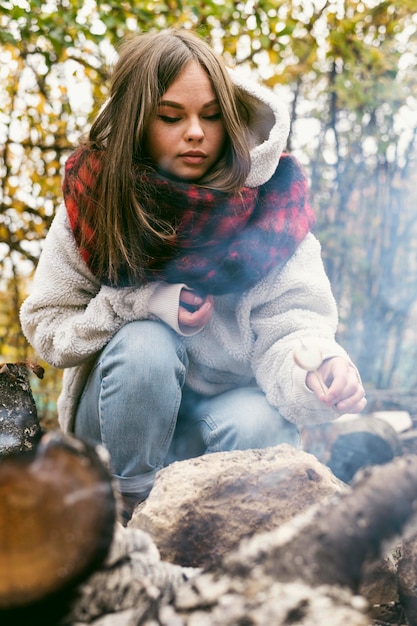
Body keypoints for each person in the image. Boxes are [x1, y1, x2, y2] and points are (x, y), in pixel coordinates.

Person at [20, 28, 366, 521]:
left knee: (260, 421)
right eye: (170, 117)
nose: (195, 133)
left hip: (220, 425)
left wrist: (318, 373)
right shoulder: (97, 198)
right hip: (113, 438)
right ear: (137, 122)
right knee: (147, 344)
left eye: (211, 116)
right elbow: (48, 327)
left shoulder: (274, 209)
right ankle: (126, 522)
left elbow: (293, 329)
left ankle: (223, 539)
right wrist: (139, 302)